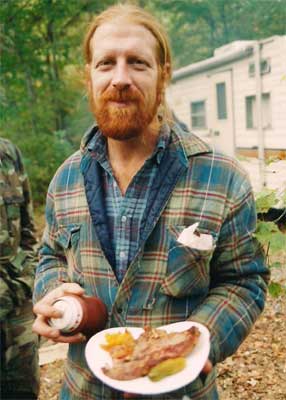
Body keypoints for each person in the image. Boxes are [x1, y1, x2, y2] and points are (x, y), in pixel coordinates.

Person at [32, 4, 269, 400]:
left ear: (164, 74)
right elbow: (50, 254)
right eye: (107, 63)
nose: (120, 78)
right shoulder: (65, 180)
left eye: (138, 63)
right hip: (83, 389)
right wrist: (56, 292)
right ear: (88, 75)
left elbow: (245, 280)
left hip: (179, 391)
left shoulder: (220, 178)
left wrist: (200, 339)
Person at [0, 137, 40, 399]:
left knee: (22, 392)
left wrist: (24, 282)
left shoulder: (7, 152)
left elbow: (28, 233)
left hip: (17, 306)